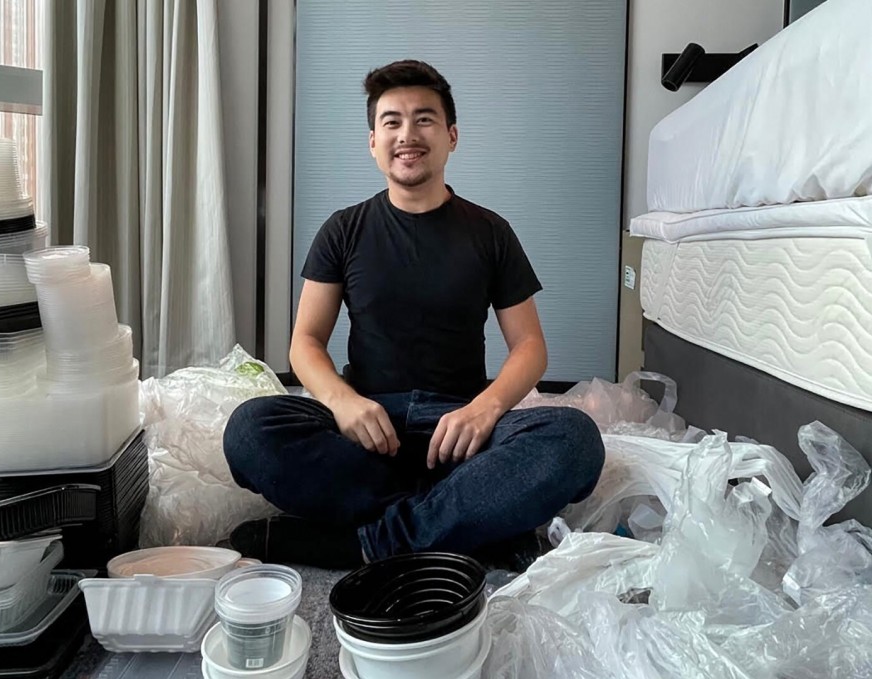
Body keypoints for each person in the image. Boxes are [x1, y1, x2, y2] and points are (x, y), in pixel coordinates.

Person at [223, 60, 604, 570]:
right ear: (373, 142)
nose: (407, 134)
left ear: (451, 136)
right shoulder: (343, 229)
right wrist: (343, 403)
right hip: (367, 430)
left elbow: (530, 346)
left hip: (461, 434)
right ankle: (465, 524)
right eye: (392, 121)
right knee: (250, 429)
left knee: (575, 441)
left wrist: (485, 409)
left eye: (424, 119)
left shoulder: (490, 232)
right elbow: (305, 342)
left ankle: (365, 544)